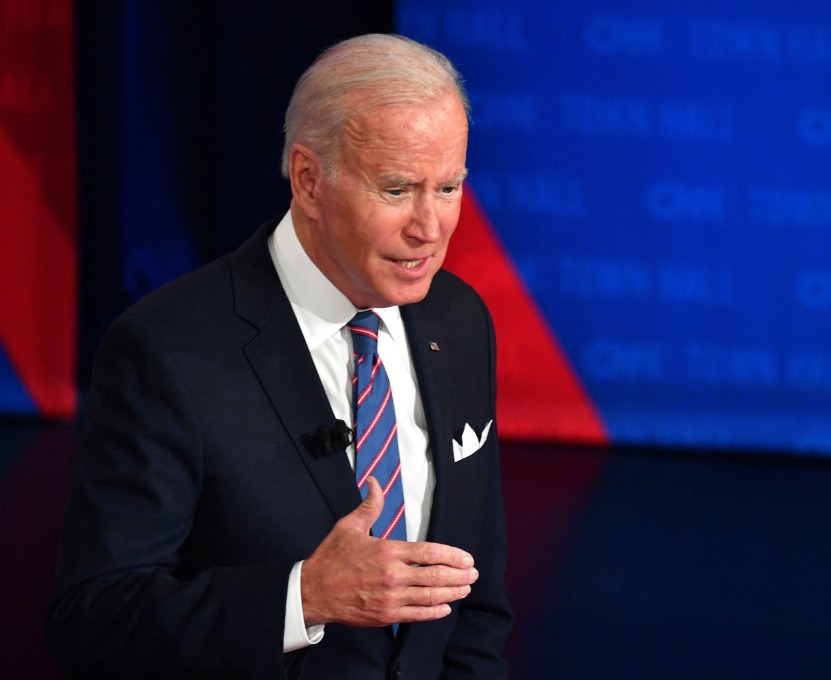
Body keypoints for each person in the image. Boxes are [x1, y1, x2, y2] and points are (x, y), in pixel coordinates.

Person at [46, 34, 512, 679]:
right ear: (309, 181)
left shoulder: (458, 320)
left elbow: (475, 601)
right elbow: (95, 618)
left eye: (449, 188)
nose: (428, 229)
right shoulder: (167, 351)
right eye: (397, 189)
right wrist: (304, 597)